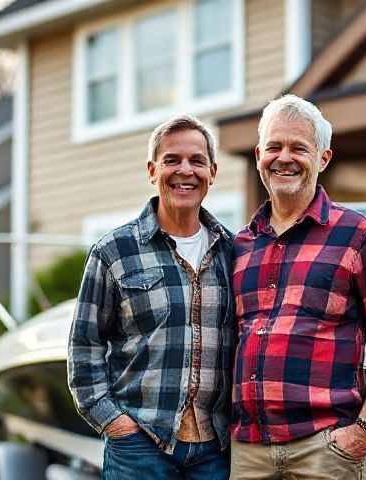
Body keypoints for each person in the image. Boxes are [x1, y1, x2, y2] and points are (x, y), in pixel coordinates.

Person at [230, 95, 366, 479]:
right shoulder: (239, 246)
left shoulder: (359, 236)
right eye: (274, 146)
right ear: (257, 156)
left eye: (299, 148)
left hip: (327, 449)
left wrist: (365, 429)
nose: (284, 157)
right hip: (247, 452)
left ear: (323, 159)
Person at [68, 115, 234, 479]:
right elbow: (85, 347)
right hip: (139, 448)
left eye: (197, 161)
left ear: (213, 172)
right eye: (172, 160)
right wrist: (114, 423)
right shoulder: (114, 251)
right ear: (152, 170)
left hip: (216, 451)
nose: (185, 170)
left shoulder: (233, 252)